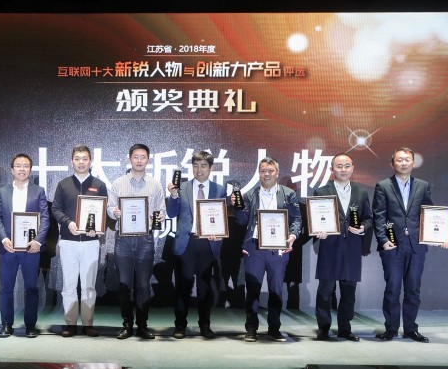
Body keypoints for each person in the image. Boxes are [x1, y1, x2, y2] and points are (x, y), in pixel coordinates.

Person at [373, 147, 448, 343]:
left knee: (413, 289)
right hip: (392, 245)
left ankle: (410, 329)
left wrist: (441, 237)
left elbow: (430, 214)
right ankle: (391, 328)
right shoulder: (383, 186)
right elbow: (379, 215)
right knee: (392, 288)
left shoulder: (423, 186)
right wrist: (383, 240)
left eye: (407, 159)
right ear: (393, 163)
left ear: (413, 163)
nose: (403, 163)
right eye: (399, 160)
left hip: (416, 246)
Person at [233, 157, 302, 342]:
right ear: (259, 173)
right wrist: (237, 207)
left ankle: (274, 328)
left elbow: (296, 219)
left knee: (276, 290)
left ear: (277, 172)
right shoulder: (250, 195)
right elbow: (241, 221)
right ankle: (251, 329)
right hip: (254, 247)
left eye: (270, 170)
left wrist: (292, 237)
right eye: (263, 171)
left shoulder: (288, 194)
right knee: (252, 290)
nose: (267, 174)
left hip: (278, 248)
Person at [107, 144, 166, 340]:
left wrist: (157, 217)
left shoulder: (155, 185)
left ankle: (142, 325)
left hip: (145, 240)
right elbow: (110, 208)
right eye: (136, 157)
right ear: (129, 159)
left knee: (143, 285)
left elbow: (161, 211)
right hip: (123, 240)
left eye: (143, 157)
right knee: (124, 284)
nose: (139, 160)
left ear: (148, 159)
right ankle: (127, 324)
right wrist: (114, 212)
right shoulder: (118, 183)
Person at [166, 150, 227, 339]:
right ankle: (180, 325)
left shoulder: (219, 189)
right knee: (183, 286)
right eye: (195, 166)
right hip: (187, 243)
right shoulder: (182, 187)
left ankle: (205, 325)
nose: (199, 170)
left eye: (203, 166)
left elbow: (222, 218)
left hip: (208, 243)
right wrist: (173, 196)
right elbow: (171, 213)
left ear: (211, 168)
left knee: (205, 287)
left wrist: (218, 233)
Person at [311, 153, 372, 342]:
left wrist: (363, 227)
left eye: (347, 166)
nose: (343, 169)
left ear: (353, 168)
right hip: (329, 246)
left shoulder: (361, 192)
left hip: (352, 247)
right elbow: (315, 218)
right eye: (339, 166)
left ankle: (345, 329)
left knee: (348, 292)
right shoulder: (321, 191)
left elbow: (368, 218)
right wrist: (318, 230)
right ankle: (323, 328)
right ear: (332, 169)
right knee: (325, 291)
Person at [51, 145, 108, 337]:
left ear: (90, 161)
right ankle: (70, 323)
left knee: (88, 286)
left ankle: (87, 323)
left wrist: (97, 229)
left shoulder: (99, 185)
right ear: (72, 161)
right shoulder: (63, 184)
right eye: (77, 158)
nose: (81, 162)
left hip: (91, 242)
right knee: (68, 285)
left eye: (84, 158)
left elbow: (103, 212)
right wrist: (68, 223)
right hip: (68, 242)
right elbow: (56, 209)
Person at [0, 154, 50, 338]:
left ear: (30, 170)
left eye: (25, 166)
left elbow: (45, 218)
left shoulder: (38, 191)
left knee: (31, 288)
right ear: (12, 169)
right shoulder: (2, 191)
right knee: (6, 288)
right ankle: (6, 324)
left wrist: (38, 241)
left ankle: (30, 325)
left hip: (30, 248)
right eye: (18, 165)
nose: (22, 169)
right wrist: (3, 239)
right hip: (8, 248)